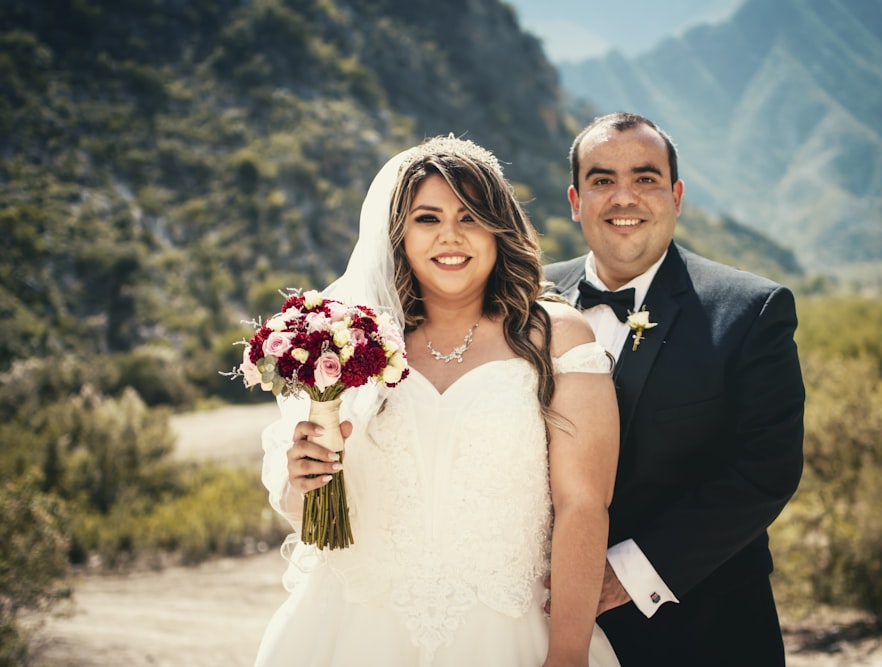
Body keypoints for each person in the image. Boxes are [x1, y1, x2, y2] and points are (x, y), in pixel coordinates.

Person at [255, 135, 622, 667]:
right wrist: (307, 472)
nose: (450, 236)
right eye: (427, 219)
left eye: (470, 216)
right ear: (398, 235)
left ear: (499, 230)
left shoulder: (556, 336)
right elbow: (309, 511)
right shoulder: (354, 344)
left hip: (509, 630)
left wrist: (567, 652)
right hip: (354, 629)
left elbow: (583, 504)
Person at [544, 112, 806, 665]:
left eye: (645, 179)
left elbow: (766, 469)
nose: (624, 198)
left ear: (676, 195)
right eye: (601, 180)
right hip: (539, 623)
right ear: (575, 199)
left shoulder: (751, 311)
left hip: (702, 630)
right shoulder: (525, 298)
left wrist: (626, 575)